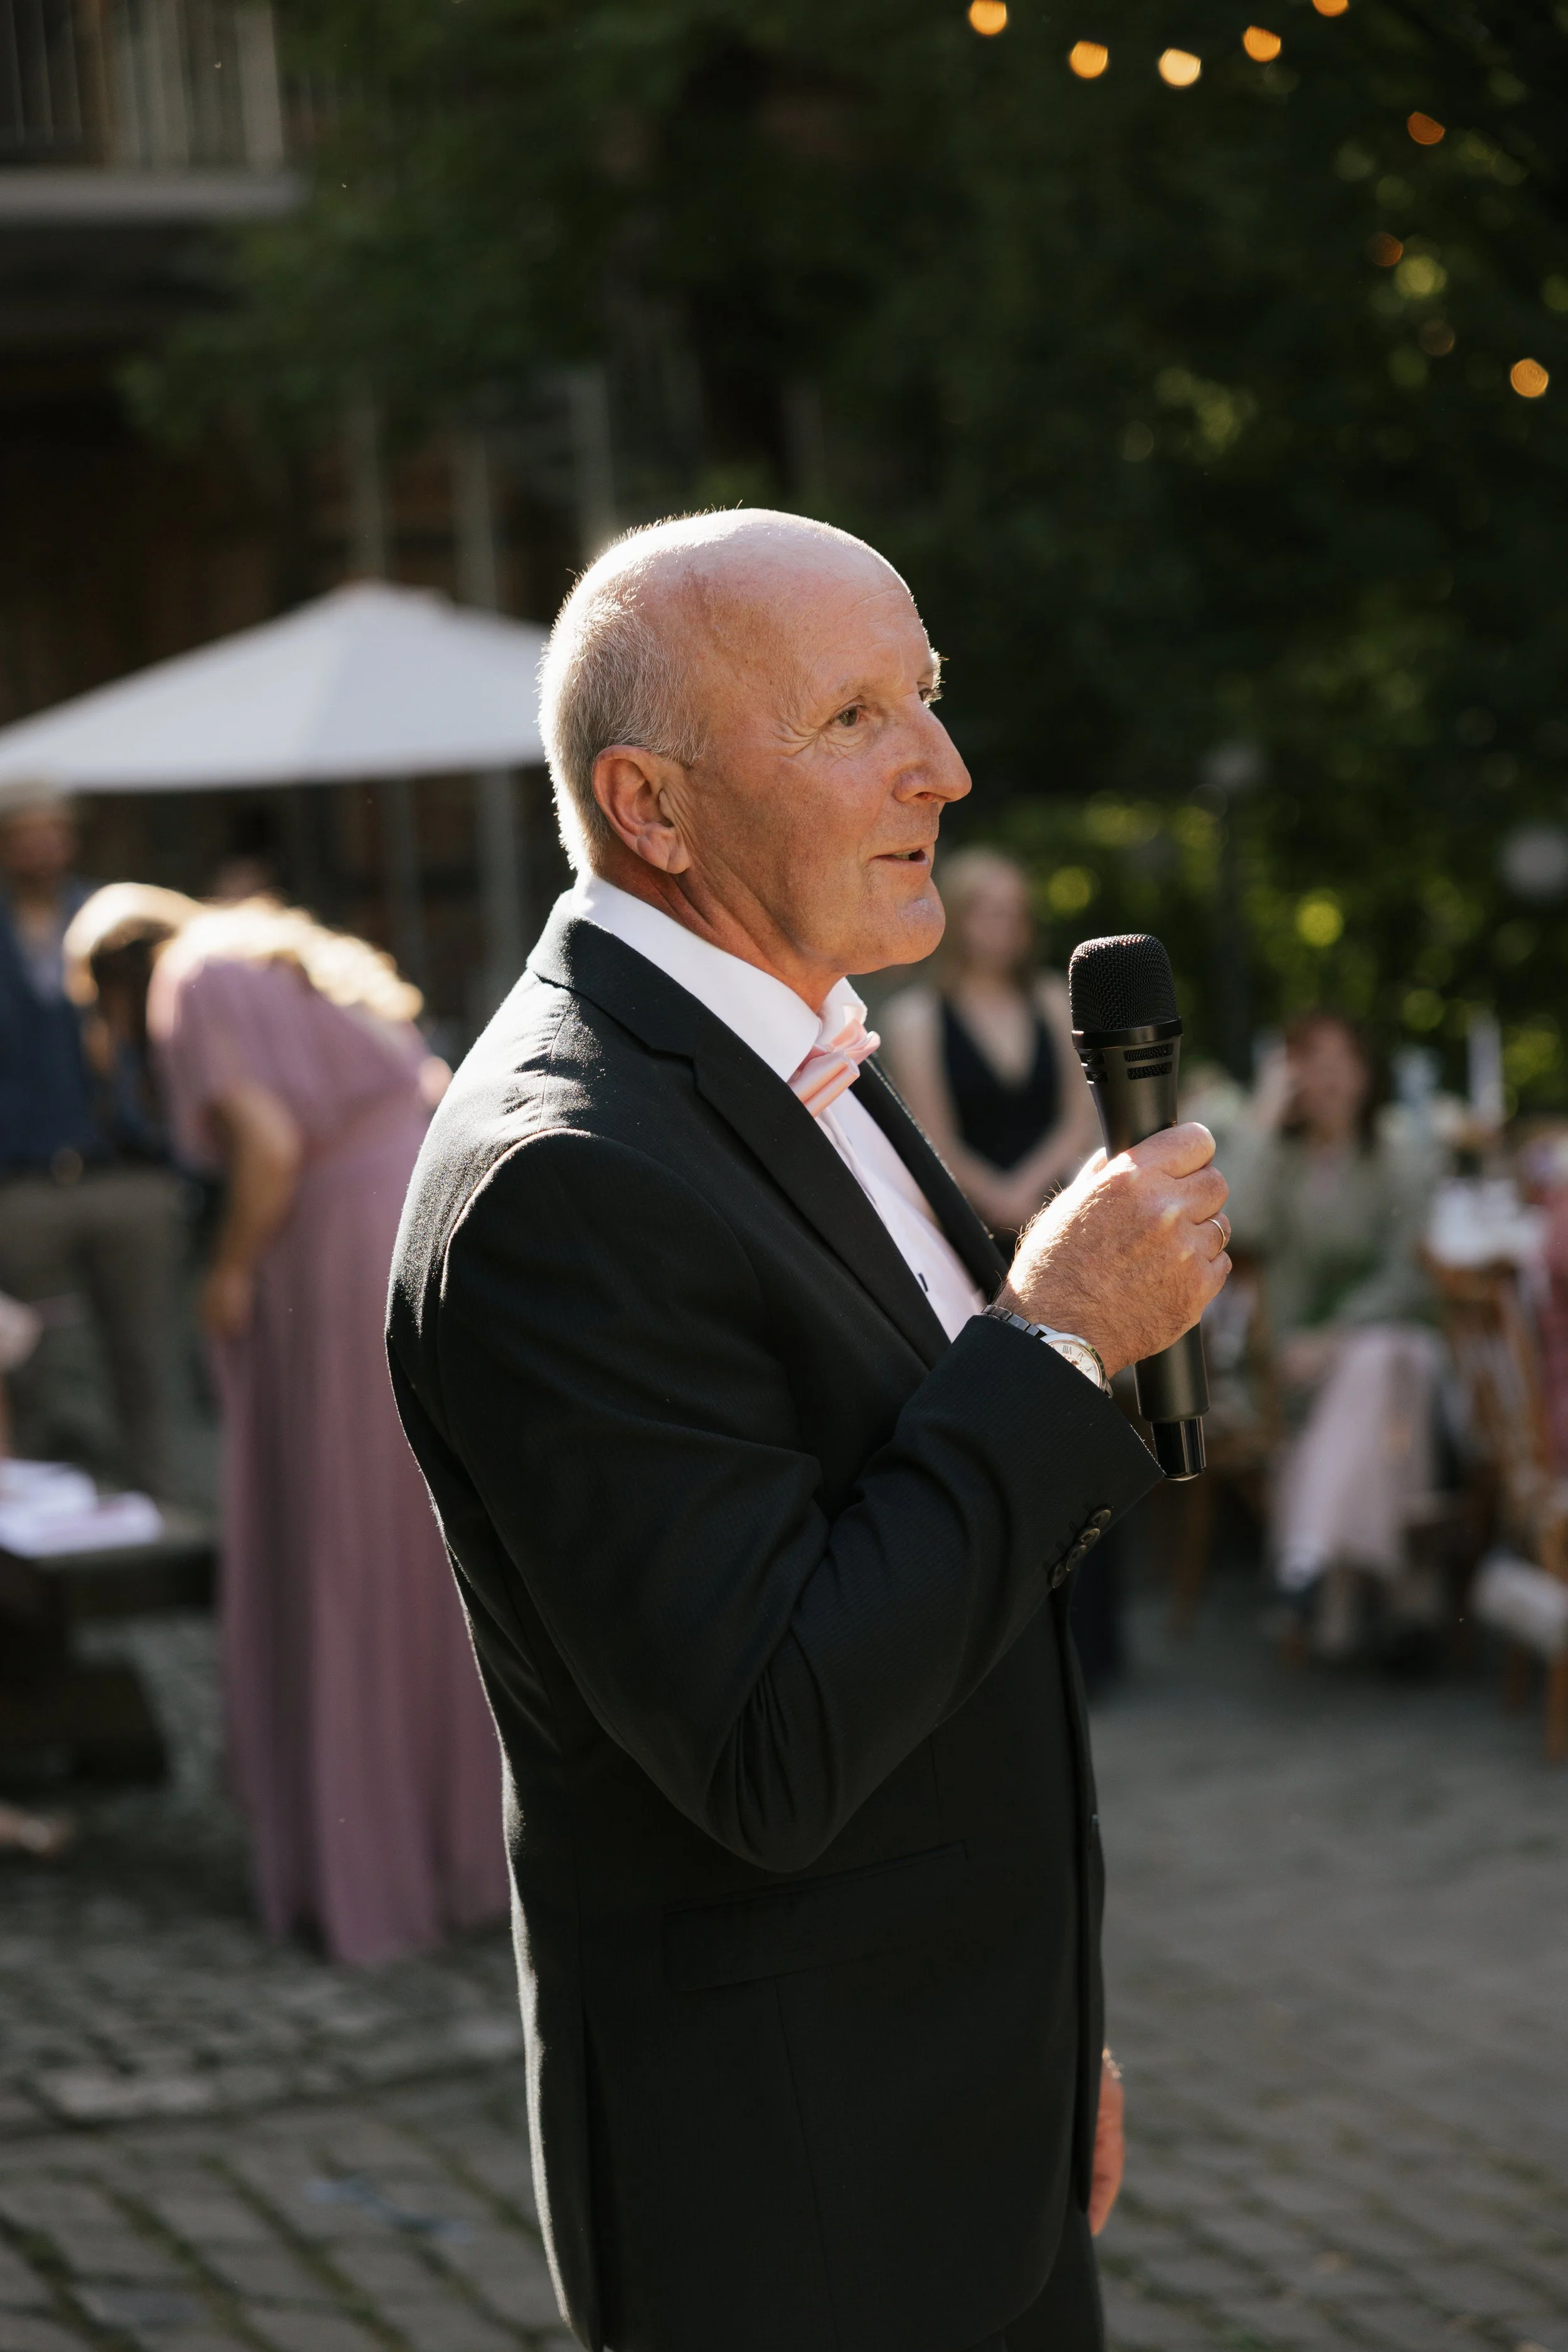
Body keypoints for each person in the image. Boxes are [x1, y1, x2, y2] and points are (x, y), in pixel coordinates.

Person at [388, 509, 1231, 2352]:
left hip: (954, 2108)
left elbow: (932, 1580)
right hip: (796, 2190)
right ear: (652, 804)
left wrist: (1027, 2026)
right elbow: (771, 1733)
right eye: (851, 716)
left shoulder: (797, 1048)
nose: (942, 763)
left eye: (922, 695)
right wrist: (1054, 1333)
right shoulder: (565, 1182)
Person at [63, 885, 509, 1967]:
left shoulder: (193, 982)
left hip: (344, 1253)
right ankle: (464, 1862)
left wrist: (224, 1276)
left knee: (348, 1559)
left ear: (117, 978)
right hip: (434, 1220)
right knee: (426, 1555)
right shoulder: (284, 962)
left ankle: (374, 1876)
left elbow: (262, 1146)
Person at [1227, 1013, 1443, 1657]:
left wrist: (1338, 1336)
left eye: (1339, 1061)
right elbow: (1230, 1225)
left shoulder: (1402, 1158)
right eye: (1309, 1063)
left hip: (1392, 1348)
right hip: (1296, 1370)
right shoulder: (1281, 1163)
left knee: (1381, 1360)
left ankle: (1308, 1554)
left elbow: (1411, 1274)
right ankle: (1409, 1597)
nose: (1325, 1078)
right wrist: (1263, 1117)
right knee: (1382, 1388)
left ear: (1364, 1073)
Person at [0, 781, 181, 1496]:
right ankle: (52, 1527)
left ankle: (156, 1504)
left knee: (144, 1356)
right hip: (24, 1184)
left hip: (124, 1172)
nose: (41, 845)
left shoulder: (108, 918)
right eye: (25, 832)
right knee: (35, 1367)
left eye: (53, 831)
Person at [881, 848, 1098, 1242]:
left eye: (1017, 912)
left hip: (1060, 1214)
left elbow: (1079, 1121)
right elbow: (933, 1139)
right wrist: (1003, 1202)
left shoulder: (1055, 1001)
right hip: (964, 1226)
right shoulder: (916, 1020)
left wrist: (1027, 1197)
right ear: (957, 915)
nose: (1007, 925)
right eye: (992, 911)